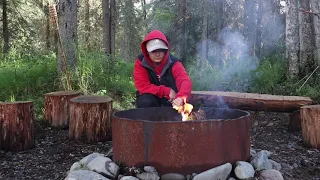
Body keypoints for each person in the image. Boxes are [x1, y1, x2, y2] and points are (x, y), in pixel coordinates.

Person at [133, 30, 192, 108]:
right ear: (147, 51)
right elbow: (143, 86)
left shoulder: (173, 62)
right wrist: (166, 91)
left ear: (165, 51)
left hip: (172, 100)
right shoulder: (141, 62)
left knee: (181, 108)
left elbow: (184, 80)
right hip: (151, 98)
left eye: (161, 50)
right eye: (154, 51)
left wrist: (181, 97)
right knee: (145, 102)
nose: (157, 54)